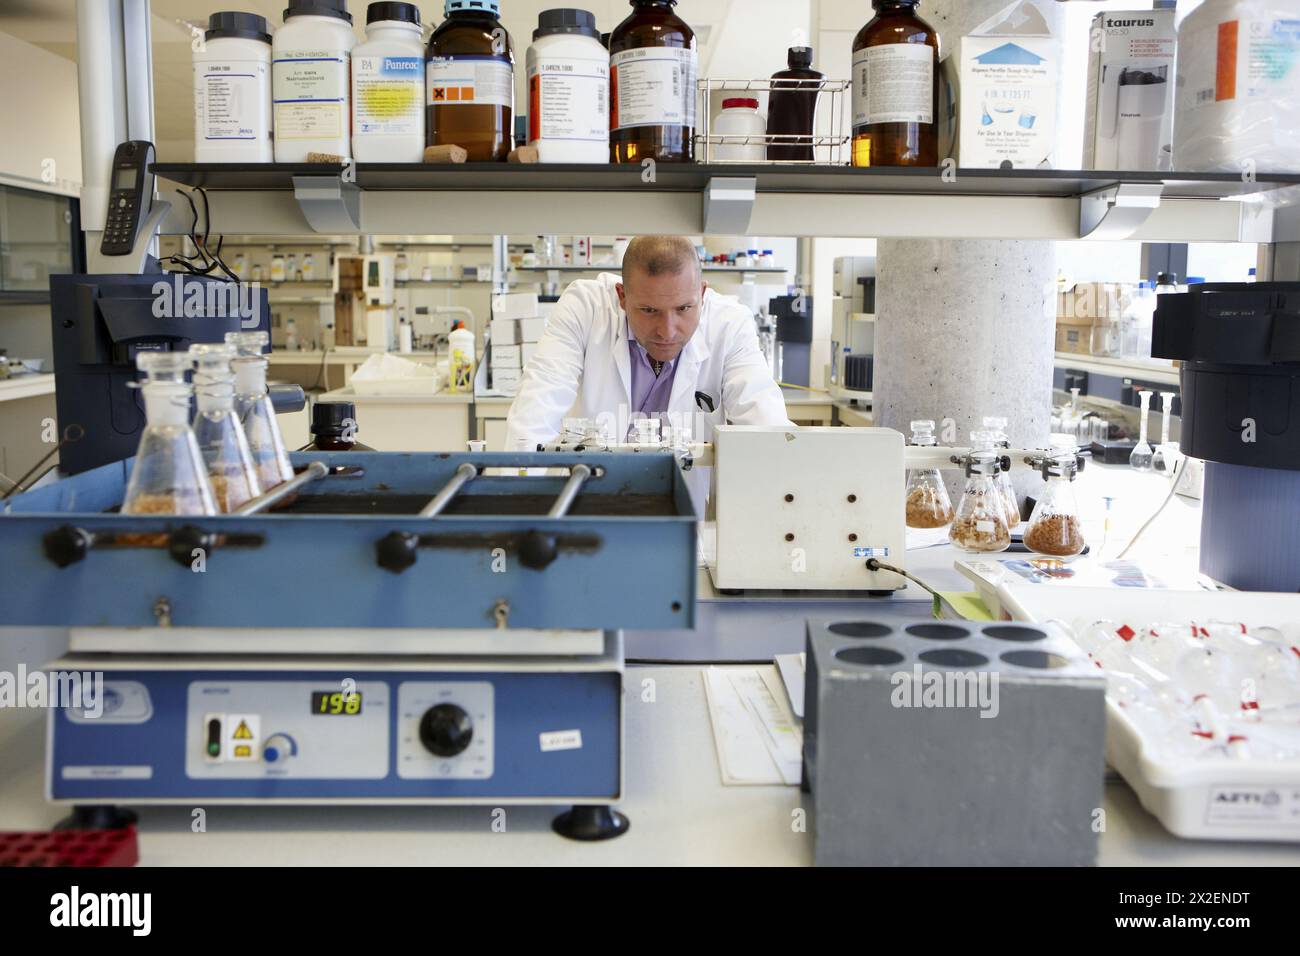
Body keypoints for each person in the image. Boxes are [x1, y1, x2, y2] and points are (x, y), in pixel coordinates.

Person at [505, 235, 790, 449]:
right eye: (649, 311)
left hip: (689, 513)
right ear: (622, 297)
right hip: (598, 504)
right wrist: (523, 507)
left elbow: (767, 427)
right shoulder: (586, 308)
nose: (667, 332)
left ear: (701, 294)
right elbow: (536, 413)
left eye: (683, 309)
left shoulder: (729, 323)